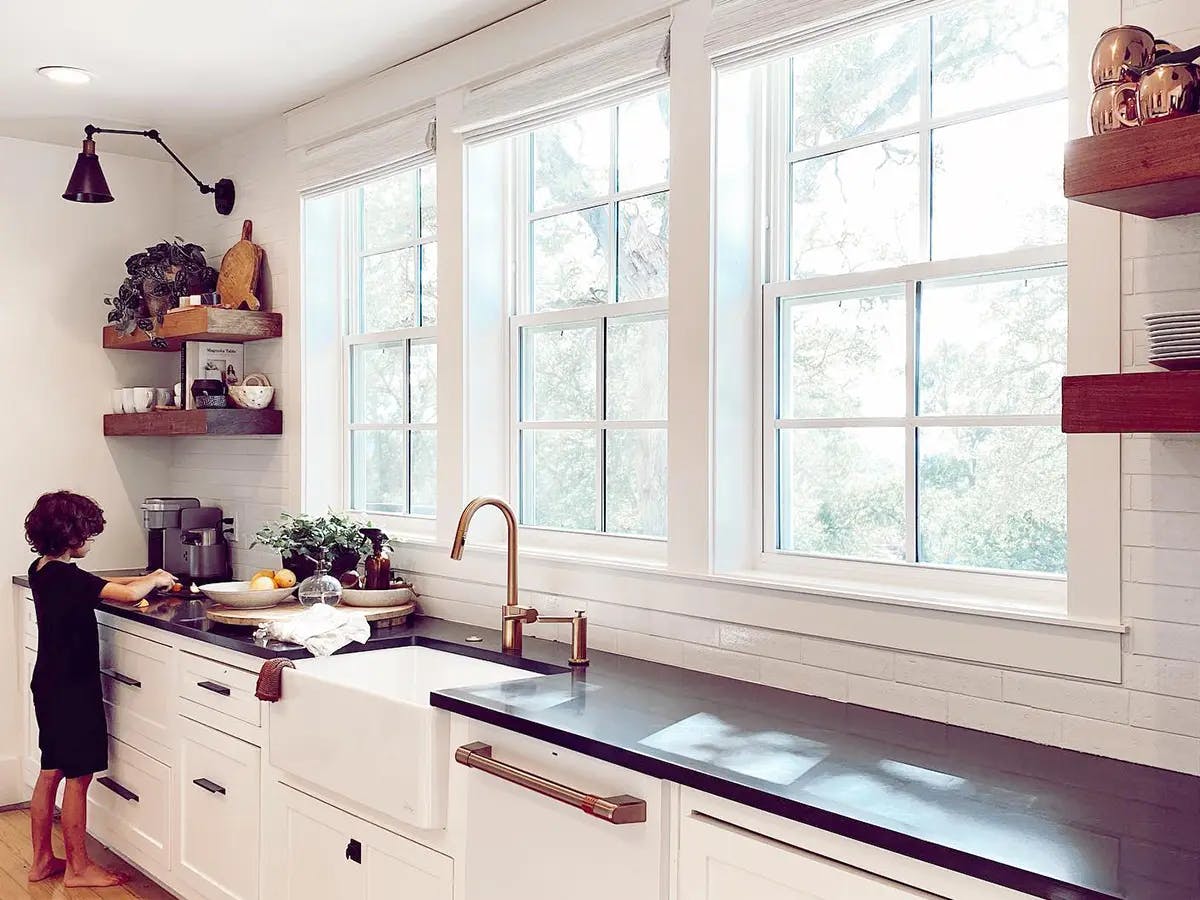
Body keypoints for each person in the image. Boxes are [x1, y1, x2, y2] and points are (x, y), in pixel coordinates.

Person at [22, 491, 176, 887]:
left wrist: (140, 579)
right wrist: (155, 579)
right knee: (79, 776)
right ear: (71, 536)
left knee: (50, 771)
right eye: (88, 534)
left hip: (49, 683)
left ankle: (41, 860)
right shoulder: (68, 577)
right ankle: (79, 868)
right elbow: (125, 594)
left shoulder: (43, 569)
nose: (91, 540)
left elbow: (99, 584)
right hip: (73, 689)